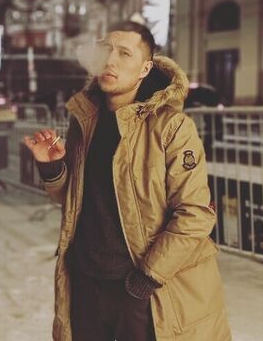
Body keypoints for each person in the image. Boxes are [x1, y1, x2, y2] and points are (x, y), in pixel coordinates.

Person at [24, 21, 232, 341]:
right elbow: (78, 201)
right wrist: (52, 168)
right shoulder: (85, 120)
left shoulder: (172, 127)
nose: (110, 61)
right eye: (106, 50)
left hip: (140, 289)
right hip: (86, 283)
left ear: (145, 68)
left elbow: (195, 214)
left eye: (124, 53)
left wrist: (146, 279)